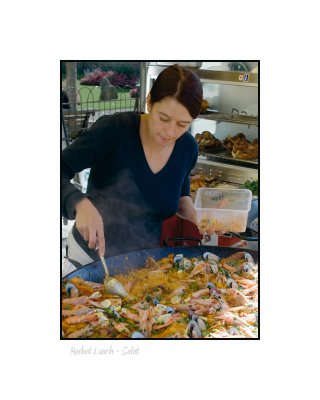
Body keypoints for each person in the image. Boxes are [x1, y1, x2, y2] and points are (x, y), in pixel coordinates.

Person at [62, 64, 205, 271]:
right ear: (149, 102)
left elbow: (181, 194)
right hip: (90, 260)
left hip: (143, 265)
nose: (170, 132)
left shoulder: (187, 148)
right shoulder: (114, 130)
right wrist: (79, 203)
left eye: (182, 124)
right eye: (163, 118)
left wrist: (197, 215)